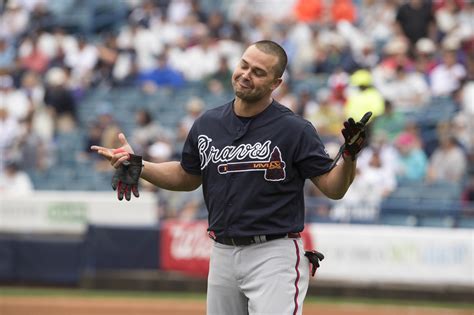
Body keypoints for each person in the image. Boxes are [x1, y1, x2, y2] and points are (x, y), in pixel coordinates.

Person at [91, 40, 367, 315]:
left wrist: (349, 157)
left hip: (273, 253)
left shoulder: (295, 129)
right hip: (222, 251)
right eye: (244, 65)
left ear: (276, 83)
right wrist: (140, 164)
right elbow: (188, 175)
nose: (246, 74)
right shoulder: (208, 123)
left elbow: (333, 188)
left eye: (258, 72)